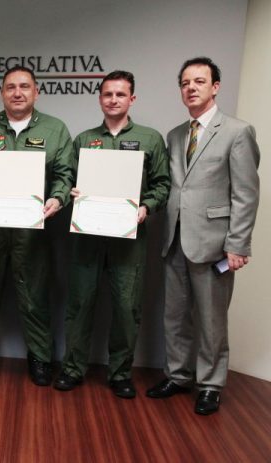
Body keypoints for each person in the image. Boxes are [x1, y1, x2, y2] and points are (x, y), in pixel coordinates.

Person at [146, 57, 260, 415]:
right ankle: (178, 375)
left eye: (199, 81)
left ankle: (210, 384)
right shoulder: (176, 134)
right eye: (185, 83)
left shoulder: (237, 131)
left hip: (215, 245)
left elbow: (246, 193)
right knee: (175, 316)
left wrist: (238, 245)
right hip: (174, 239)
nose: (190, 88)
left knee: (211, 320)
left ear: (215, 87)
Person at [53, 71, 170, 398]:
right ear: (100, 98)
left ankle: (120, 375)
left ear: (132, 99)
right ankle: (73, 369)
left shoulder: (150, 139)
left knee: (126, 308)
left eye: (120, 95)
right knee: (79, 304)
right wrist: (70, 192)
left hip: (129, 239)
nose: (113, 100)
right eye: (108, 94)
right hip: (87, 237)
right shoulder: (83, 139)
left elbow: (163, 184)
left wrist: (146, 205)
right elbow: (66, 179)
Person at [0, 66, 74, 384]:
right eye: (10, 87)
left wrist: (58, 198)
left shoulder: (55, 129)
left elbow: (66, 173)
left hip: (33, 228)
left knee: (34, 292)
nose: (17, 92)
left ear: (37, 92)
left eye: (24, 87)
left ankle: (40, 357)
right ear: (2, 92)